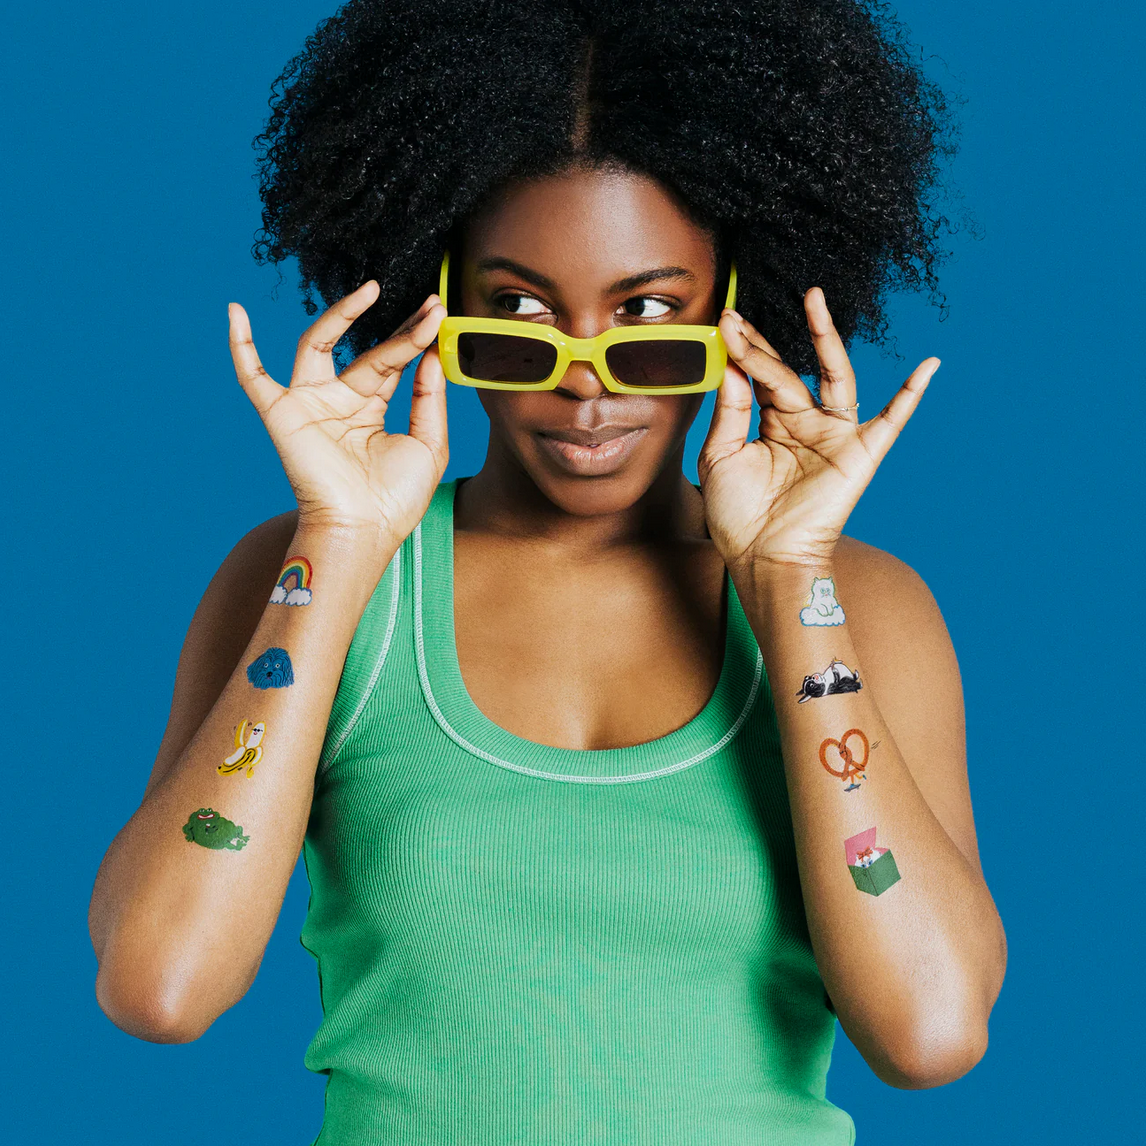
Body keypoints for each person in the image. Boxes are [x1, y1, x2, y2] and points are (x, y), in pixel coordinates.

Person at [88, 1, 1007, 1142]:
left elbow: (929, 1031)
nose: (586, 384)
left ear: (736, 315)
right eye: (517, 317)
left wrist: (790, 580)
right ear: (440, 312)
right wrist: (336, 543)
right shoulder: (322, 575)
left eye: (649, 319)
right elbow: (158, 984)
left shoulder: (859, 603)